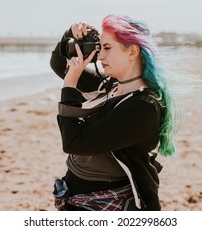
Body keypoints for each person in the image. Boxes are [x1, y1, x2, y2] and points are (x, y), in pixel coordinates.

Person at [50, 14, 180, 211]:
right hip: (77, 194)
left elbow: (74, 142)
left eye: (108, 48)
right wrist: (71, 34)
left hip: (105, 203)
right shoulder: (110, 85)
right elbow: (59, 65)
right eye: (100, 48)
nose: (100, 56)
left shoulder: (143, 106)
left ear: (132, 51)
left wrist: (70, 85)